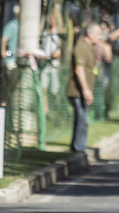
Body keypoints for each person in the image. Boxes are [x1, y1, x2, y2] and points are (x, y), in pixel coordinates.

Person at [66, 23, 102, 152]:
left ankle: (76, 147)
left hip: (83, 92)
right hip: (77, 91)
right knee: (82, 121)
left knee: (81, 120)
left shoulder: (89, 47)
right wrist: (86, 90)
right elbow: (79, 69)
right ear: (90, 34)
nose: (100, 37)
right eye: (98, 35)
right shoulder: (81, 46)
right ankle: (78, 149)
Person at [41, 14, 62, 111]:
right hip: (45, 64)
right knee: (43, 88)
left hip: (54, 66)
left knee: (54, 90)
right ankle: (45, 109)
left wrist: (56, 54)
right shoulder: (45, 34)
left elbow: (59, 50)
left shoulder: (57, 35)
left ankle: (55, 110)